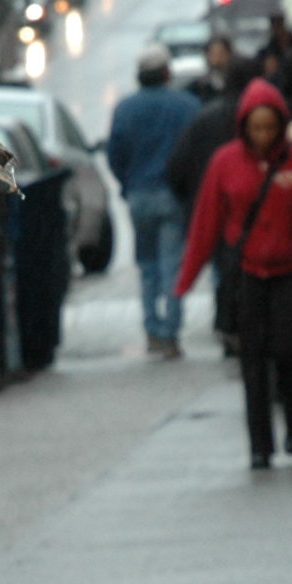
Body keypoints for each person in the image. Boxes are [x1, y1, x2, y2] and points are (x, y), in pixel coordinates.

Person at [176, 80, 292, 467]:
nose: (263, 135)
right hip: (248, 273)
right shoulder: (225, 163)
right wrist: (187, 278)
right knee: (252, 360)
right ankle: (260, 444)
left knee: (288, 351)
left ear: (281, 125)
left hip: (289, 271)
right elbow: (207, 224)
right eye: (256, 127)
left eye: (270, 127)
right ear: (244, 127)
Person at [106, 45, 201, 358]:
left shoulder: (125, 109)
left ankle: (152, 329)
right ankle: (172, 331)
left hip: (139, 194)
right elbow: (195, 152)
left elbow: (115, 154)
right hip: (174, 195)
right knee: (173, 264)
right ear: (167, 72)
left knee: (147, 266)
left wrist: (126, 183)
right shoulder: (186, 105)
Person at [166, 61, 249, 355]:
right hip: (254, 215)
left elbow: (177, 167)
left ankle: (228, 322)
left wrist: (191, 197)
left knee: (222, 269)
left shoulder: (205, 119)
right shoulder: (268, 119)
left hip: (215, 211)